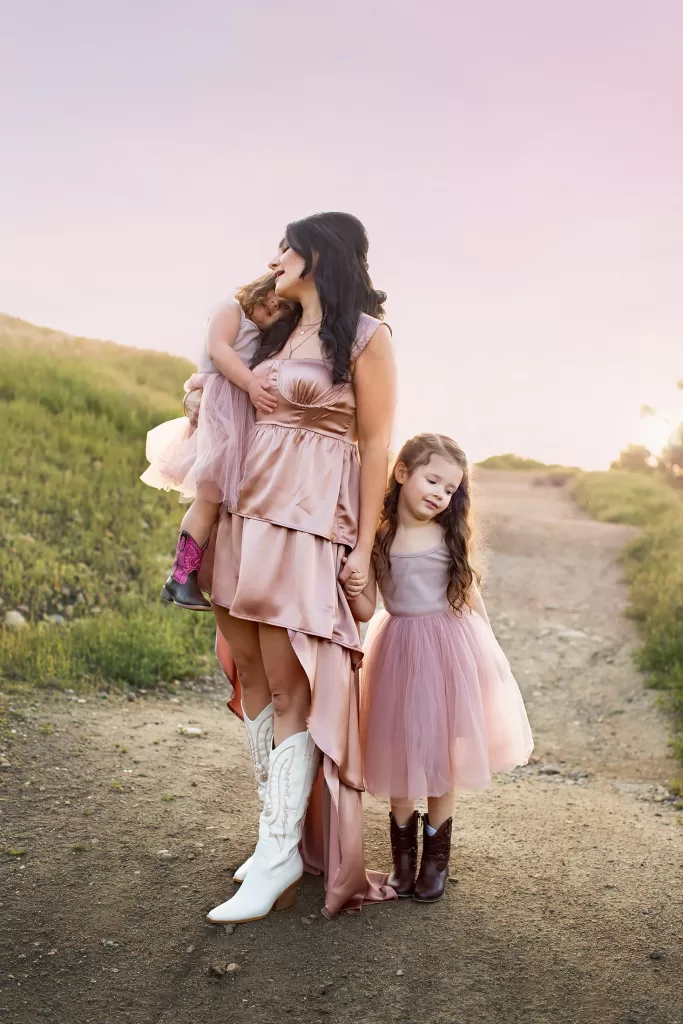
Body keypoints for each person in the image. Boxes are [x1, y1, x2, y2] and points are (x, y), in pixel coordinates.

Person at [202, 212, 397, 923]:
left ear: (317, 254)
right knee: (249, 673)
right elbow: (219, 361)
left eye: (287, 246)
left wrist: (359, 545)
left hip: (309, 522)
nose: (276, 256)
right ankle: (272, 836)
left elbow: (375, 446)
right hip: (246, 513)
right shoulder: (275, 330)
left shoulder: (369, 339)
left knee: (290, 685)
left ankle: (280, 852)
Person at [347, 434, 533, 903]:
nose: (440, 494)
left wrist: (488, 655)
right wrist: (353, 584)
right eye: (433, 480)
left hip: (449, 649)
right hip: (397, 650)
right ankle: (403, 860)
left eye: (450, 489)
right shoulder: (380, 537)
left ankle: (435, 862)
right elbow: (369, 608)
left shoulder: (448, 537)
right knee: (401, 752)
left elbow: (471, 598)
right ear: (402, 473)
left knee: (443, 755)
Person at [140, 274, 284, 610]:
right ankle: (180, 577)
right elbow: (218, 351)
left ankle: (193, 575)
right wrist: (250, 383)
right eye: (269, 298)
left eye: (282, 309)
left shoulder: (262, 334)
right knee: (209, 494)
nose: (273, 306)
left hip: (235, 414)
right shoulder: (230, 310)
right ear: (260, 287)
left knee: (217, 496)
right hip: (221, 407)